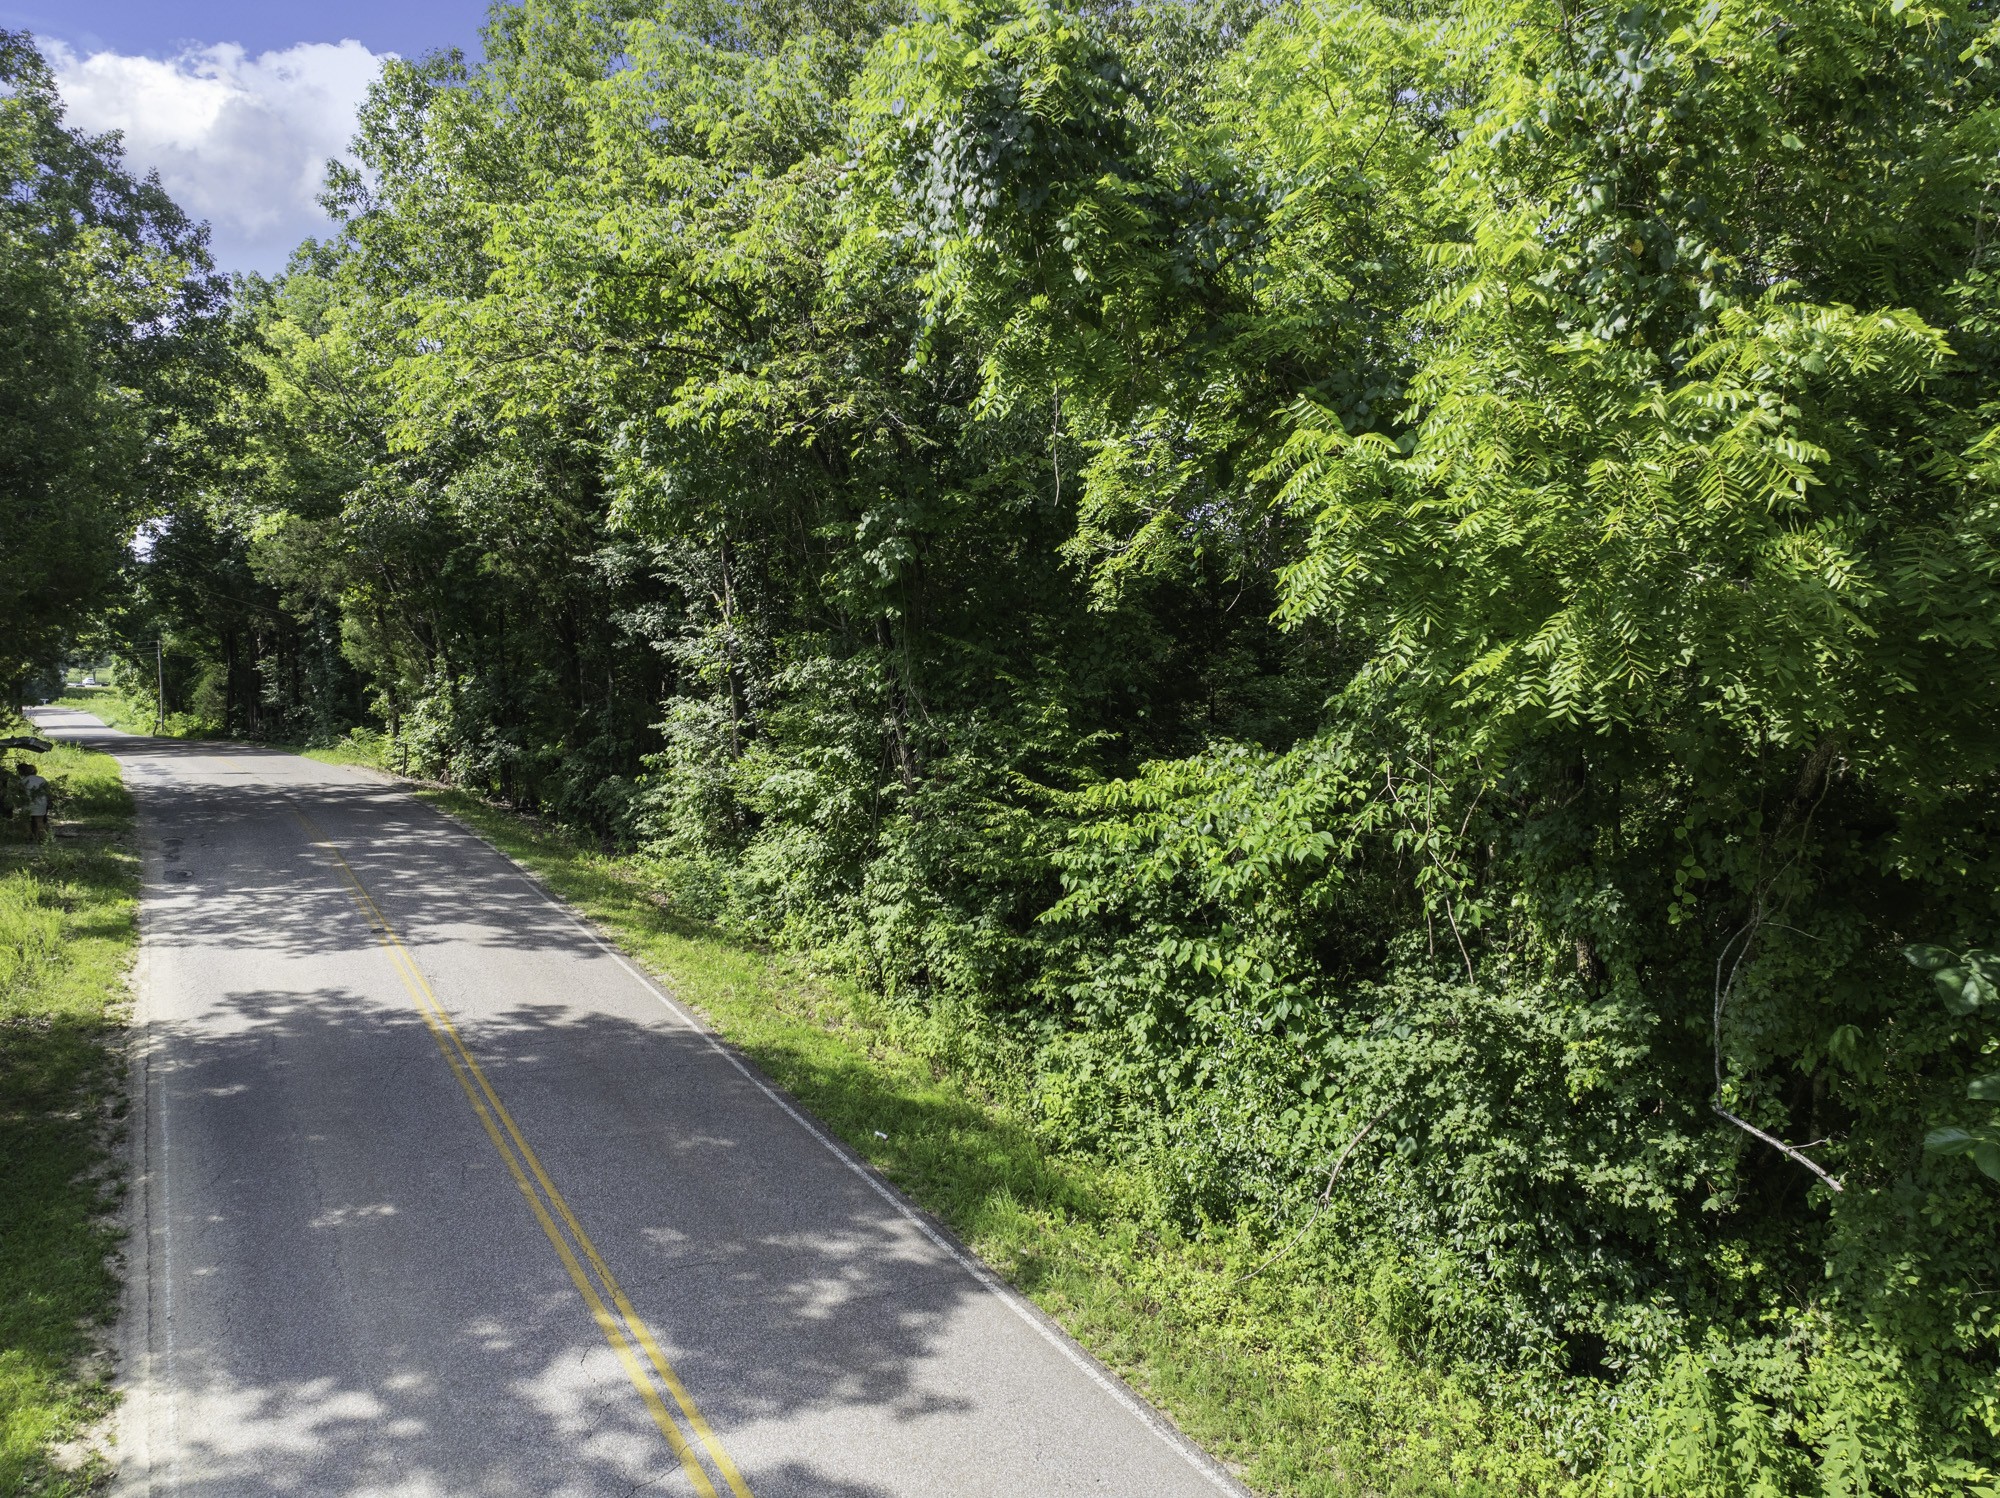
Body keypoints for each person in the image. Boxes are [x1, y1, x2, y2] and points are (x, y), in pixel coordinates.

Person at [18, 762, 49, 842]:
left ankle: (28, 836)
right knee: (39, 821)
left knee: (26, 820)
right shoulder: (42, 779)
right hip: (40, 803)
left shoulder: (23, 781)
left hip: (28, 802)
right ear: (36, 771)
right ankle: (42, 838)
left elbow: (20, 793)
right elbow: (47, 791)